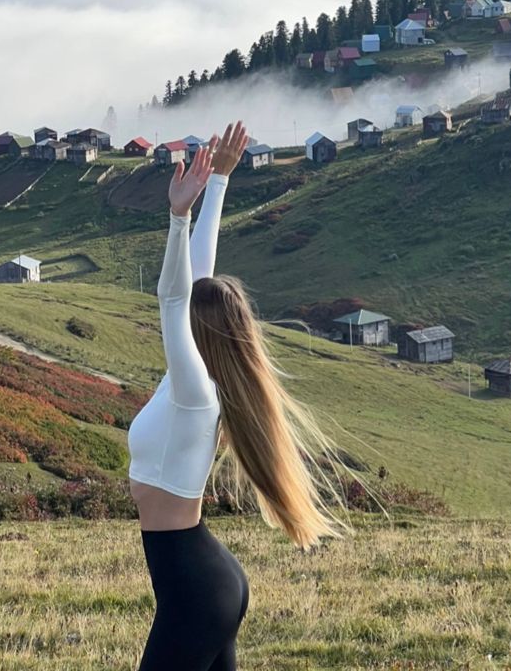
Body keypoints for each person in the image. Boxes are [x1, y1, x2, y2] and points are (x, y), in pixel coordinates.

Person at [128, 122, 353, 671]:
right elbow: (197, 280)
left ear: (198, 332)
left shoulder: (195, 395)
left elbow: (174, 294)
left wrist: (179, 217)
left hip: (196, 597)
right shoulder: (192, 383)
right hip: (205, 585)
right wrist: (220, 182)